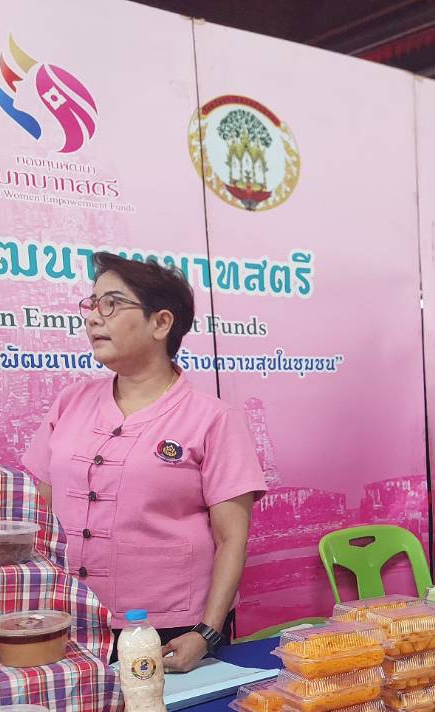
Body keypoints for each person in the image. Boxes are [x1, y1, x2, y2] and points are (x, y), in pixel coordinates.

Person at [23, 253, 266, 672]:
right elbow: (40, 514)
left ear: (161, 323)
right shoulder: (70, 403)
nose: (95, 318)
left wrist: (207, 634)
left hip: (172, 632)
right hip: (71, 618)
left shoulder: (212, 419)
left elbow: (232, 539)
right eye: (92, 304)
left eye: (113, 304)